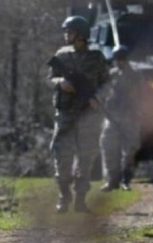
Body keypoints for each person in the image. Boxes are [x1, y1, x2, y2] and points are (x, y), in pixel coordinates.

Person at [47, 15, 109, 213]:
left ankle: (81, 199)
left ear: (80, 34)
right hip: (65, 112)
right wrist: (60, 83)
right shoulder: (62, 54)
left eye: (70, 31)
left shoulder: (96, 56)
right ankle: (64, 196)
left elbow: (106, 83)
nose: (66, 35)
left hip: (88, 114)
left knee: (86, 157)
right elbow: (51, 78)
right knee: (61, 155)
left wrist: (97, 98)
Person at [98, 45, 144, 192]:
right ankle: (112, 180)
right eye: (117, 59)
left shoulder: (135, 74)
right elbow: (103, 91)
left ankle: (126, 179)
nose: (119, 62)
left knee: (130, 150)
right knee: (108, 147)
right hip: (112, 116)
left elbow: (141, 93)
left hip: (130, 116)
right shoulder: (111, 74)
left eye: (122, 59)